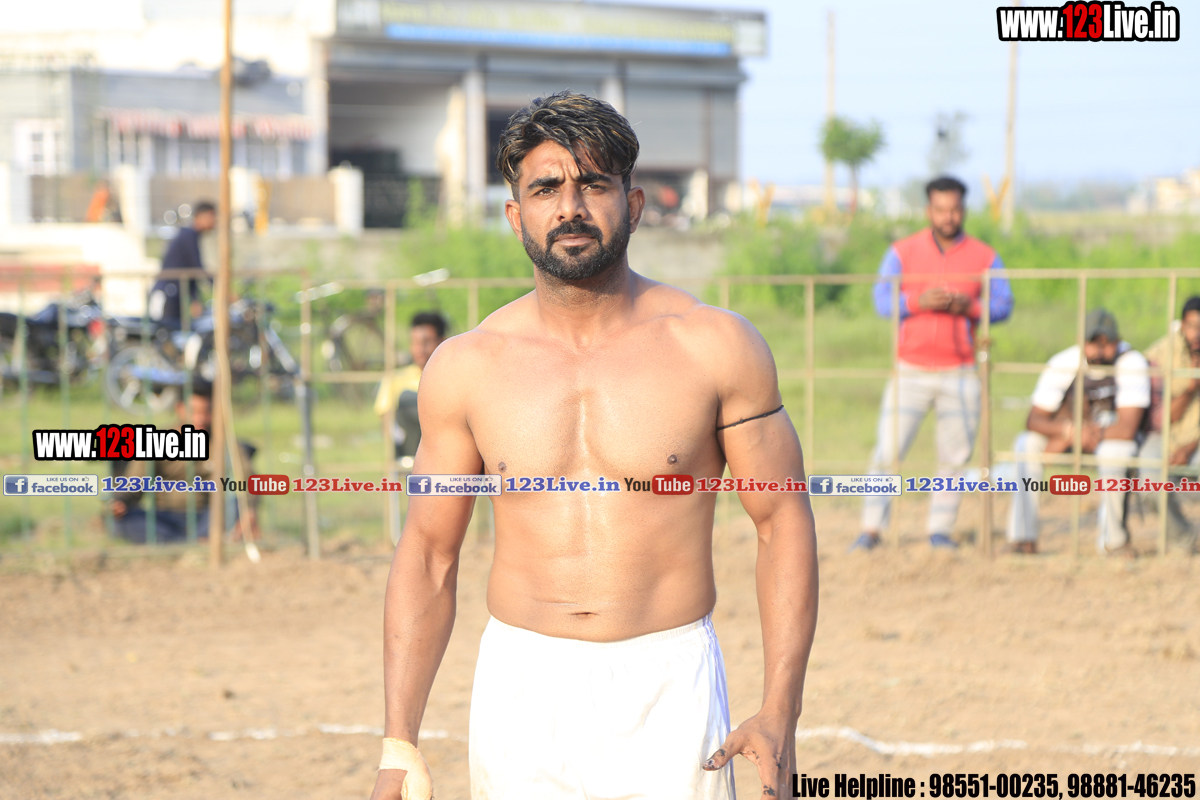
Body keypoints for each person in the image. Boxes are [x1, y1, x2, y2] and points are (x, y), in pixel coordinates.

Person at [369, 92, 818, 800]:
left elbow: (782, 520)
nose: (570, 207)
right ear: (515, 214)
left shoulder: (716, 346)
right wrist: (399, 744)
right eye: (546, 188)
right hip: (522, 685)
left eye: (593, 184)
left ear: (632, 204)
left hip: (667, 682)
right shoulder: (467, 367)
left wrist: (780, 712)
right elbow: (428, 552)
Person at [852, 176, 1013, 551]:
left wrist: (971, 307)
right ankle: (871, 529)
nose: (948, 217)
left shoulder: (985, 256)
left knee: (954, 457)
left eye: (954, 209)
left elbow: (1003, 305)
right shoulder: (901, 252)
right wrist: (916, 302)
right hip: (910, 369)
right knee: (887, 452)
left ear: (963, 210)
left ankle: (939, 530)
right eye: (941, 209)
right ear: (929, 210)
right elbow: (881, 301)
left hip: (961, 370)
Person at [1006, 309, 1150, 555]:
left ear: (1117, 341)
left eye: (1107, 343)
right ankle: (1023, 538)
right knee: (1026, 444)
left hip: (1110, 439)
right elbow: (1033, 419)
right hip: (1071, 435)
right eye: (1093, 343)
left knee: (1115, 453)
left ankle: (1113, 542)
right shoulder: (1064, 362)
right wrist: (1069, 432)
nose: (1099, 351)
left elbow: (1126, 428)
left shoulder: (1131, 361)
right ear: (1080, 341)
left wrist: (1082, 433)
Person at [109, 381, 257, 544]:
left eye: (206, 411)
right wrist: (120, 502)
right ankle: (187, 543)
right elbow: (134, 483)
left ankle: (185, 542)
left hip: (207, 516)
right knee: (123, 520)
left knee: (234, 506)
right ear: (179, 408)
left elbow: (248, 478)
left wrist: (249, 510)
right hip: (164, 517)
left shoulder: (223, 441)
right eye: (194, 411)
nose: (200, 418)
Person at [1138, 296, 1200, 551]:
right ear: (1182, 325)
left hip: (1195, 441)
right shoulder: (1161, 356)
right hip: (1165, 435)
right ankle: (1183, 538)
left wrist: (1190, 446)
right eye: (1192, 326)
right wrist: (1191, 387)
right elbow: (1163, 418)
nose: (1197, 334)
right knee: (1149, 482)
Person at [373, 311, 448, 463]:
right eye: (415, 343)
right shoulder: (396, 379)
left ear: (442, 341)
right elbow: (386, 420)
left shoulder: (452, 378)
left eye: (426, 342)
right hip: (410, 452)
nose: (420, 349)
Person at [148, 201, 216, 330]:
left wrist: (195, 299)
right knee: (164, 333)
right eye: (211, 216)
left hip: (175, 294)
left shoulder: (191, 236)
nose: (214, 221)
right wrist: (219, 286)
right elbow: (197, 268)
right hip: (167, 294)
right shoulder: (188, 236)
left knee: (177, 333)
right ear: (200, 216)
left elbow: (192, 271)